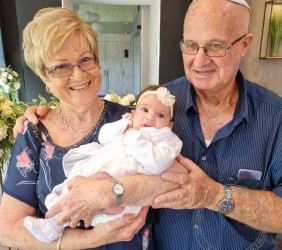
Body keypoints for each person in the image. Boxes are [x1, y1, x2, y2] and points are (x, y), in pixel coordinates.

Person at [12, 0, 282, 249]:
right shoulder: (153, 106)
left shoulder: (274, 117)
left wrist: (212, 195)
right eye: (190, 45)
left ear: (245, 44)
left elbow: (163, 180)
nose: (200, 60)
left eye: (215, 46)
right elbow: (8, 228)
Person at [0, 7, 182, 250]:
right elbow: (7, 231)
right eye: (61, 66)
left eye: (86, 59)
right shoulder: (34, 135)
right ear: (45, 77)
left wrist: (110, 192)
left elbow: (176, 180)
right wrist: (94, 238)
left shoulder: (131, 119)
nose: (78, 75)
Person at [23, 85, 182, 244]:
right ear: (133, 113)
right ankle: (53, 223)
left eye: (160, 115)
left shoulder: (166, 139)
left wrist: (133, 137)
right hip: (106, 169)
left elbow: (157, 163)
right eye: (145, 110)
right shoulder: (127, 125)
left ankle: (55, 224)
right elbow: (103, 137)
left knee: (93, 185)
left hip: (123, 191)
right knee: (76, 184)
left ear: (169, 125)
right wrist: (124, 125)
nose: (150, 118)